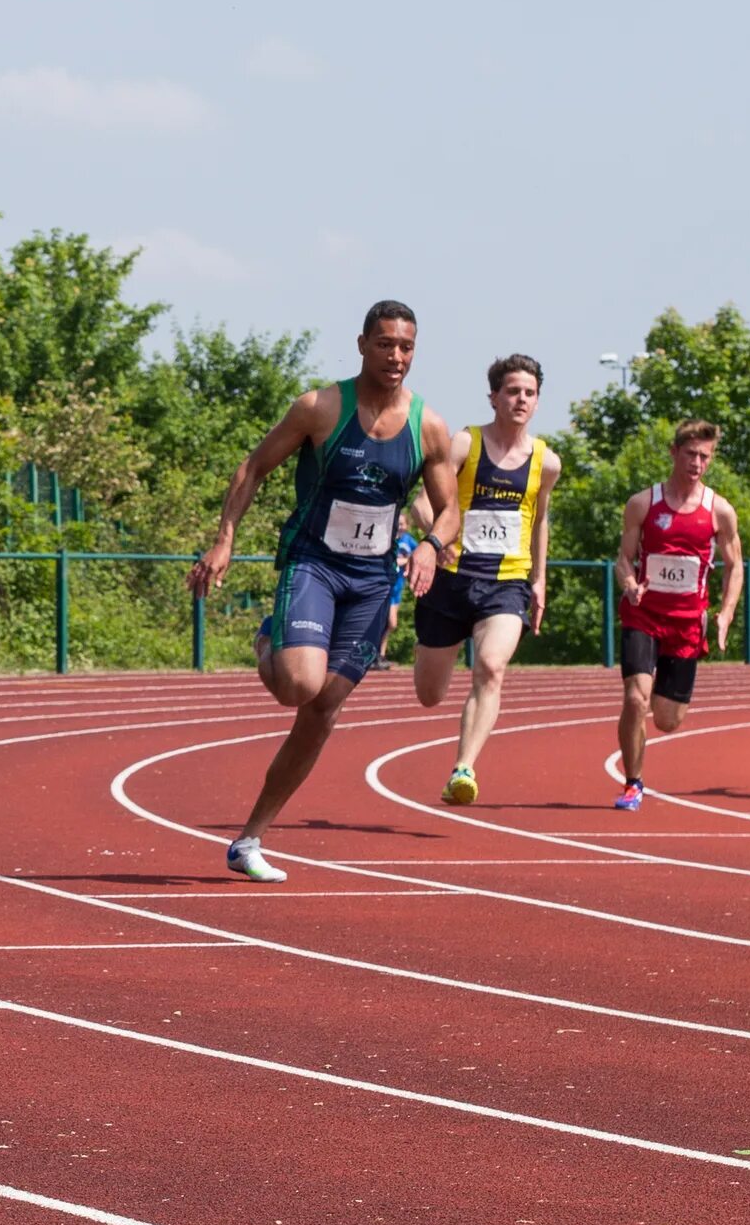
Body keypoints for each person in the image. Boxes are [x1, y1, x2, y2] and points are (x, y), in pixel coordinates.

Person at [186, 301, 457, 883]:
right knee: (299, 686)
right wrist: (225, 540)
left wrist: (433, 545)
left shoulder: (428, 425)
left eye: (407, 347)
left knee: (323, 711)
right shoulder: (320, 408)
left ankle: (250, 839)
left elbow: (451, 508)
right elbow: (253, 467)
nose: (396, 357)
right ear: (362, 345)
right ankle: (269, 639)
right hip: (314, 564)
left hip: (370, 579)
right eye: (385, 344)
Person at [412, 354, 560, 805]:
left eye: (529, 393)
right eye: (512, 391)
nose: (521, 400)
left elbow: (539, 520)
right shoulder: (464, 444)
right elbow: (422, 504)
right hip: (450, 581)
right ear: (493, 396)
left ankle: (464, 768)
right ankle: (441, 659)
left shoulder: (546, 461)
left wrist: (539, 578)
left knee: (492, 667)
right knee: (429, 695)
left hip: (506, 584)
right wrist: (437, 541)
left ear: (537, 402)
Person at [612, 421, 744, 812]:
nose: (697, 463)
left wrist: (725, 614)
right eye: (690, 454)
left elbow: (735, 566)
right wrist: (630, 584)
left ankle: (649, 701)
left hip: (687, 624)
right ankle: (633, 783)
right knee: (636, 699)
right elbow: (623, 559)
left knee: (668, 721)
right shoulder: (643, 503)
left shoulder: (719, 511)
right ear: (674, 453)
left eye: (705, 456)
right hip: (643, 615)